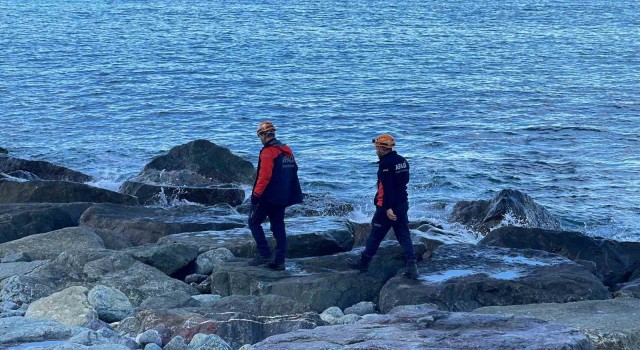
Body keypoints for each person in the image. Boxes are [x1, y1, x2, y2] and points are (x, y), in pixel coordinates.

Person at [346, 134, 419, 279]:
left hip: (387, 207)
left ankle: (363, 263)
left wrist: (387, 208)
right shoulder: (402, 161)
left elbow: (386, 188)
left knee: (375, 235)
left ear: (382, 148)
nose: (375, 151)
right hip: (403, 203)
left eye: (376, 148)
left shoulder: (385, 164)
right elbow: (405, 181)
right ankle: (412, 267)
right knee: (404, 235)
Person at [248, 121, 303, 270]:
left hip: (268, 197)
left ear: (262, 135)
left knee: (253, 222)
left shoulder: (267, 152)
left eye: (260, 135)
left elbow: (264, 177)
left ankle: (264, 253)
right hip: (282, 197)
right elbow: (294, 169)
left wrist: (255, 196)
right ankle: (280, 259)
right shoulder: (286, 149)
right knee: (278, 226)